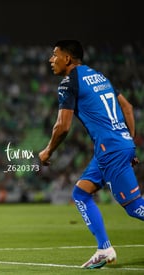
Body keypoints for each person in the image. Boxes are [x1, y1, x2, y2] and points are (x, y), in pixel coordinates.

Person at [39, 40, 144, 269]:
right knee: (81, 193)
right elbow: (127, 107)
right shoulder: (99, 76)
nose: (51, 60)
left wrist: (47, 151)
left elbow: (62, 127)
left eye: (55, 55)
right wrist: (129, 141)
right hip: (114, 146)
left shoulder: (69, 83)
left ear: (67, 58)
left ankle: (105, 248)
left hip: (110, 149)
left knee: (135, 207)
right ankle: (104, 248)